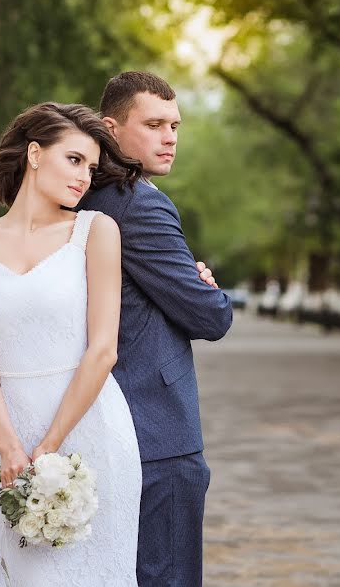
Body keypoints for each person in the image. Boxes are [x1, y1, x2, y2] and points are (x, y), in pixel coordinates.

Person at [0, 102, 144, 585]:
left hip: (90, 428)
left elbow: (103, 350)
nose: (84, 178)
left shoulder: (96, 231)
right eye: (74, 160)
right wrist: (12, 447)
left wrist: (50, 445)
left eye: (91, 168)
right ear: (35, 153)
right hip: (9, 434)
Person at [77, 71, 234, 586]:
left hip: (99, 426)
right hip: (158, 433)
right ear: (111, 128)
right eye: (153, 124)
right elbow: (210, 318)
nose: (169, 137)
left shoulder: (80, 198)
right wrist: (207, 291)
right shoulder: (138, 203)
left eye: (175, 126)